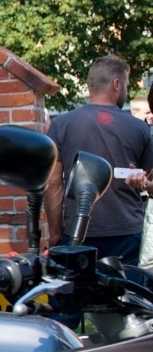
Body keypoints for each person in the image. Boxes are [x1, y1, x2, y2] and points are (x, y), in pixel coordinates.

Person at [46, 55, 153, 266]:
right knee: (125, 287)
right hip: (126, 233)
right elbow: (149, 182)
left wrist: (55, 232)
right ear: (116, 84)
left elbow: (53, 183)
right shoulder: (139, 127)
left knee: (78, 287)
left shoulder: (61, 124)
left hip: (77, 231)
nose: (126, 91)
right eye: (126, 85)